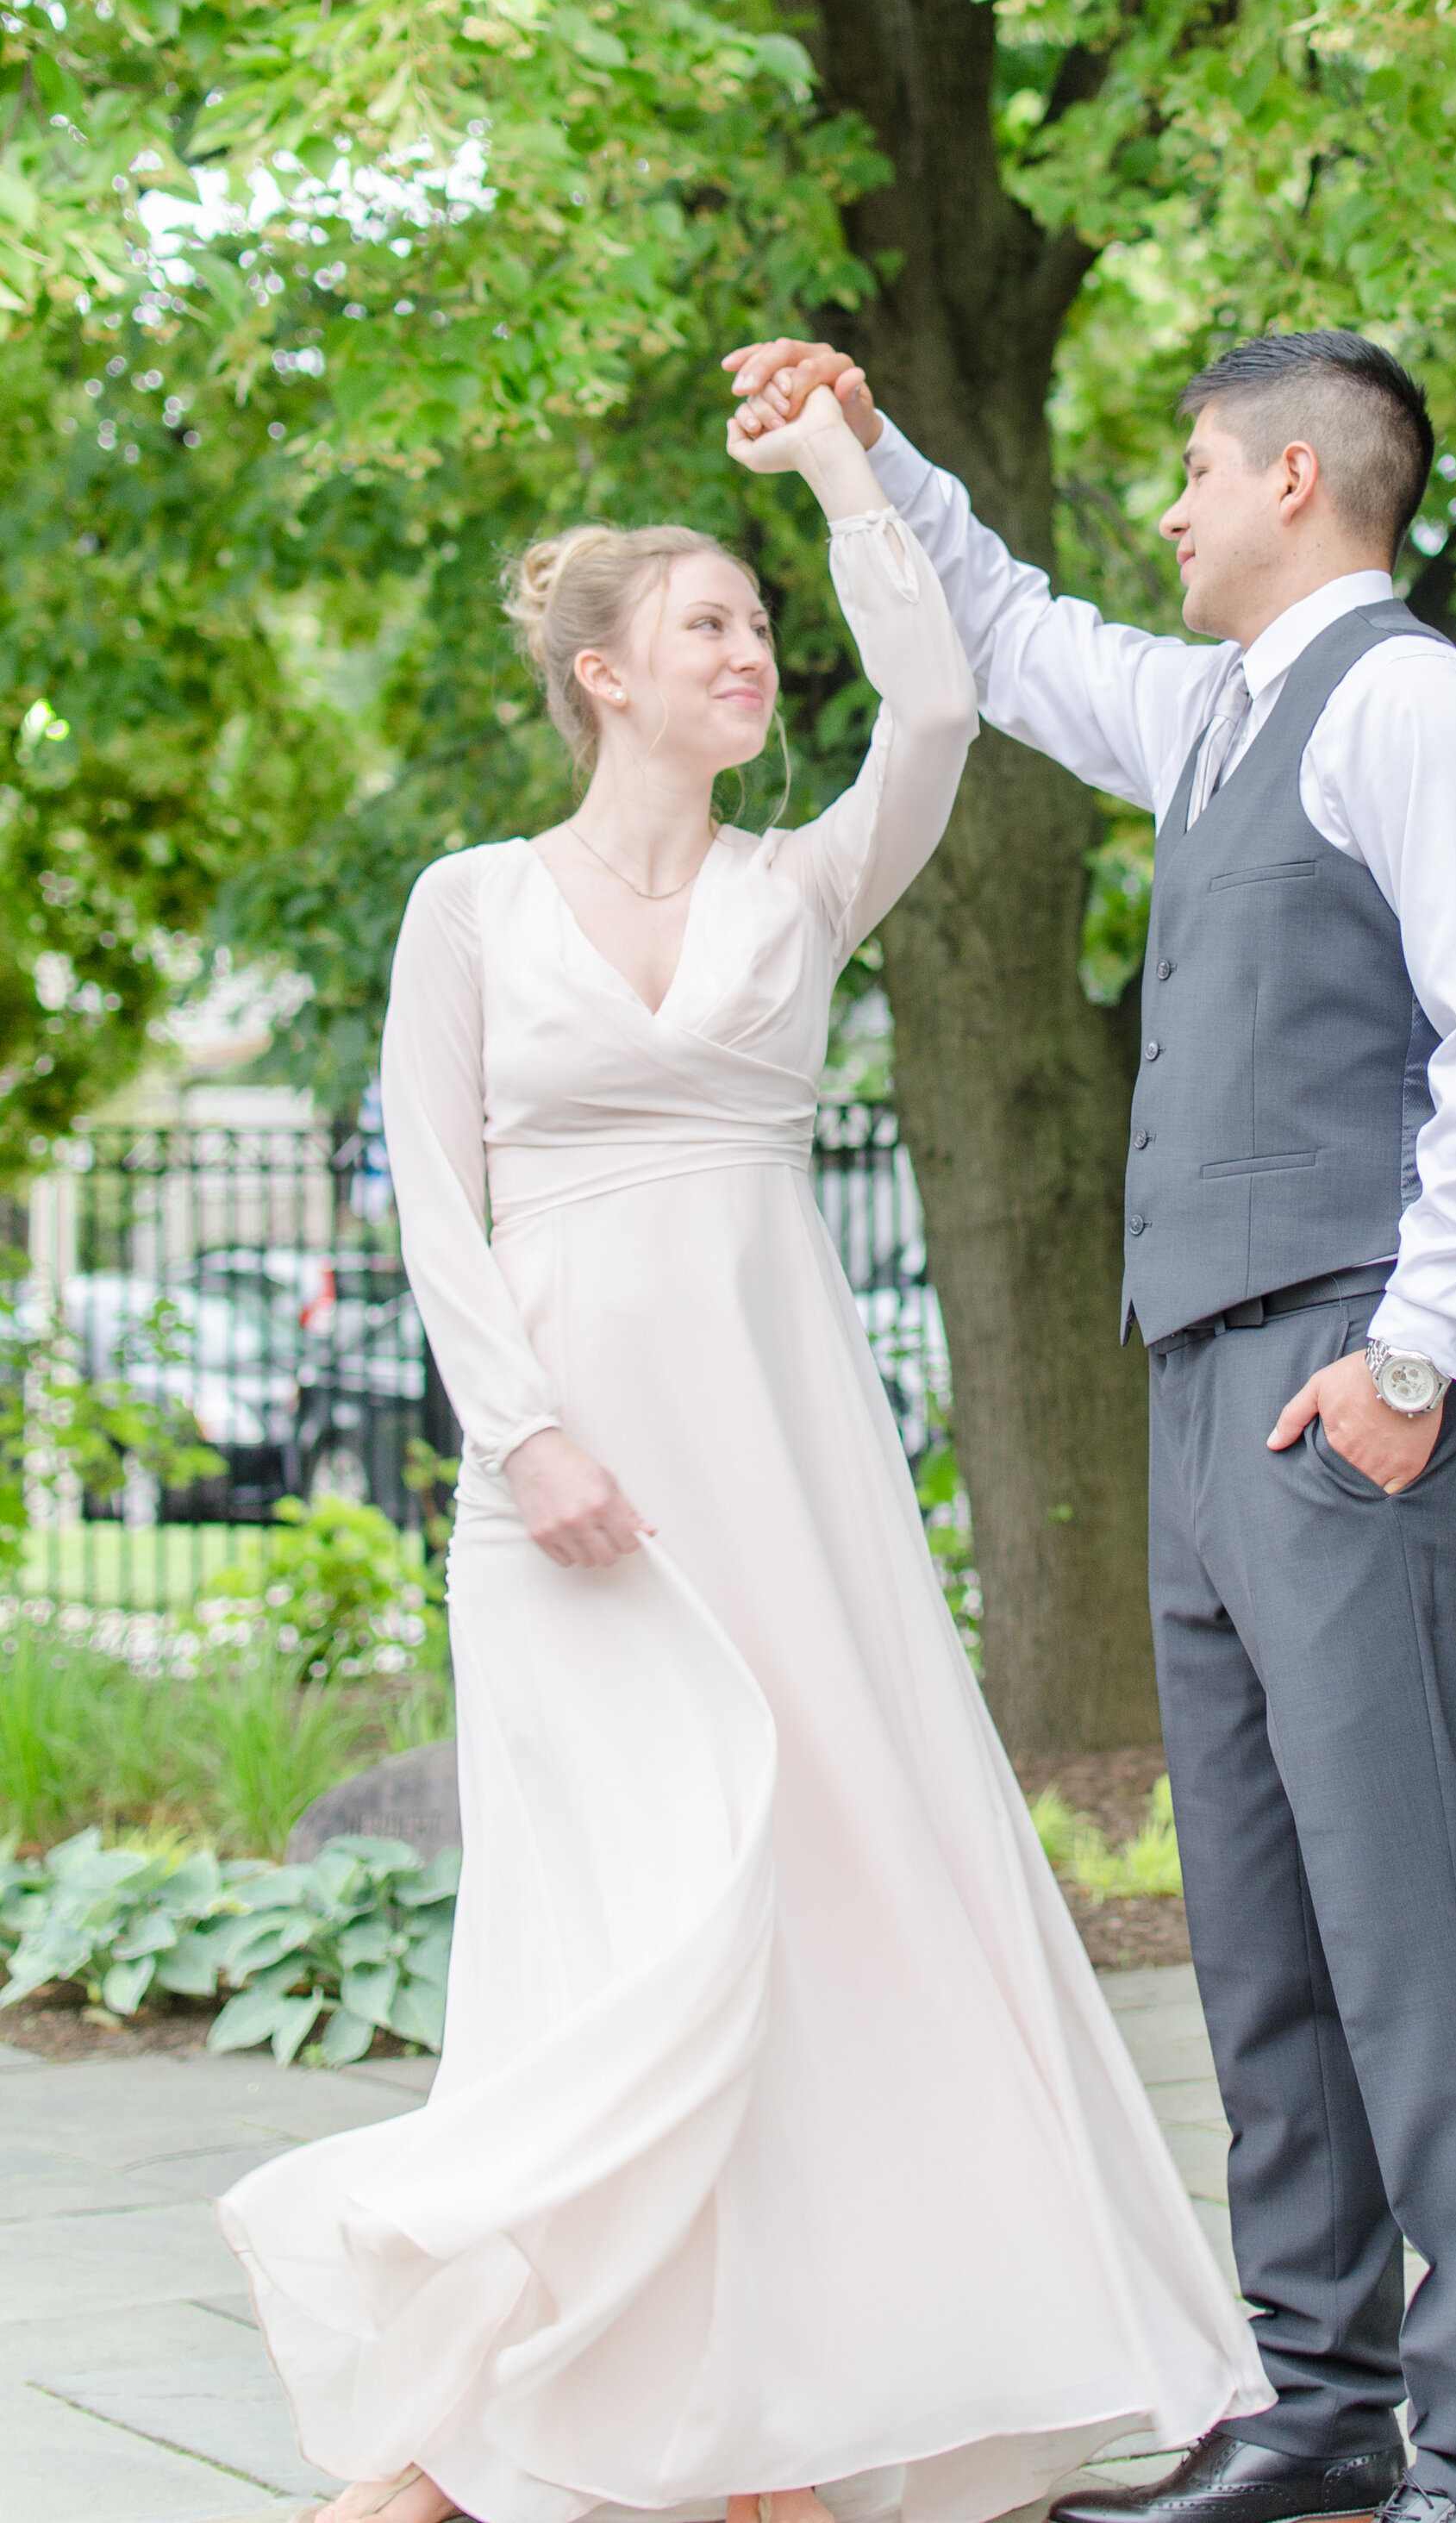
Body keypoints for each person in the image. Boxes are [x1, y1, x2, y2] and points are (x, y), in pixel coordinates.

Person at [217, 388, 1267, 2523]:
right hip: (562, 1490)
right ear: (601, 673)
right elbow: (435, 1200)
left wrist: (843, 475)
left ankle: (777, 2432)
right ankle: (470, 2436)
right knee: (603, 1941)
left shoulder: (803, 889)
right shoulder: (467, 905)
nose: (747, 652)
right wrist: (524, 1440)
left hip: (780, 1469)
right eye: (706, 623)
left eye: (759, 626)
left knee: (820, 1898)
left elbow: (939, 704)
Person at [727, 333, 1456, 2523]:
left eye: (1197, 469)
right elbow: (1008, 633)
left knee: (1404, 1930)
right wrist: (866, 449)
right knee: (1258, 1931)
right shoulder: (1212, 715)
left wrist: (1409, 1363)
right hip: (1204, 1384)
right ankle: (1317, 2408)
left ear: (1295, 478)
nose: (1172, 506)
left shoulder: (1411, 710)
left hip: (1350, 1383)